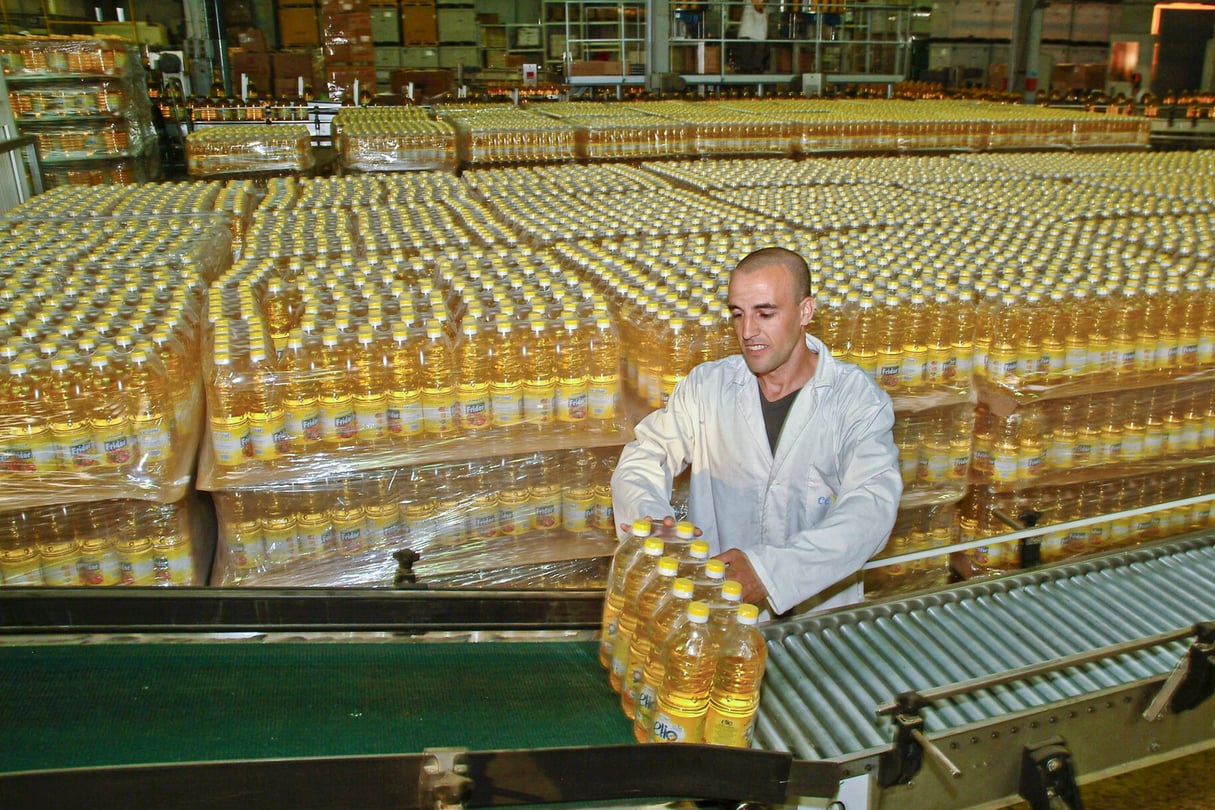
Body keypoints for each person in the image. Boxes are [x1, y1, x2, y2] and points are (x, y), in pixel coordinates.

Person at [611, 247, 902, 616]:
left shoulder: (856, 401)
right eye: (737, 314)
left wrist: (770, 573)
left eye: (765, 313)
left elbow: (872, 508)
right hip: (717, 617)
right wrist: (652, 521)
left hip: (819, 626)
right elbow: (643, 455)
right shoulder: (707, 387)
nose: (747, 332)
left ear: (805, 312)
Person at [735, 1, 769, 73]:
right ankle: (749, 68)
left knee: (757, 50)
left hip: (757, 22)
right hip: (749, 22)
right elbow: (758, 6)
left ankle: (754, 68)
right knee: (747, 48)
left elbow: (759, 6)